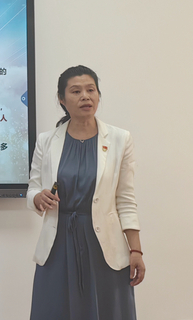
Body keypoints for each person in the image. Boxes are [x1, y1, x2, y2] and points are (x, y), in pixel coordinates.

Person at [27, 65, 145, 320]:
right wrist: (37, 197)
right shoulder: (47, 140)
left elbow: (125, 199)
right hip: (58, 243)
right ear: (62, 99)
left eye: (91, 90)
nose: (85, 96)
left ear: (98, 95)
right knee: (55, 310)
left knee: (108, 310)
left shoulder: (119, 139)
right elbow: (33, 188)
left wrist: (136, 250)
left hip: (103, 244)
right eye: (76, 91)